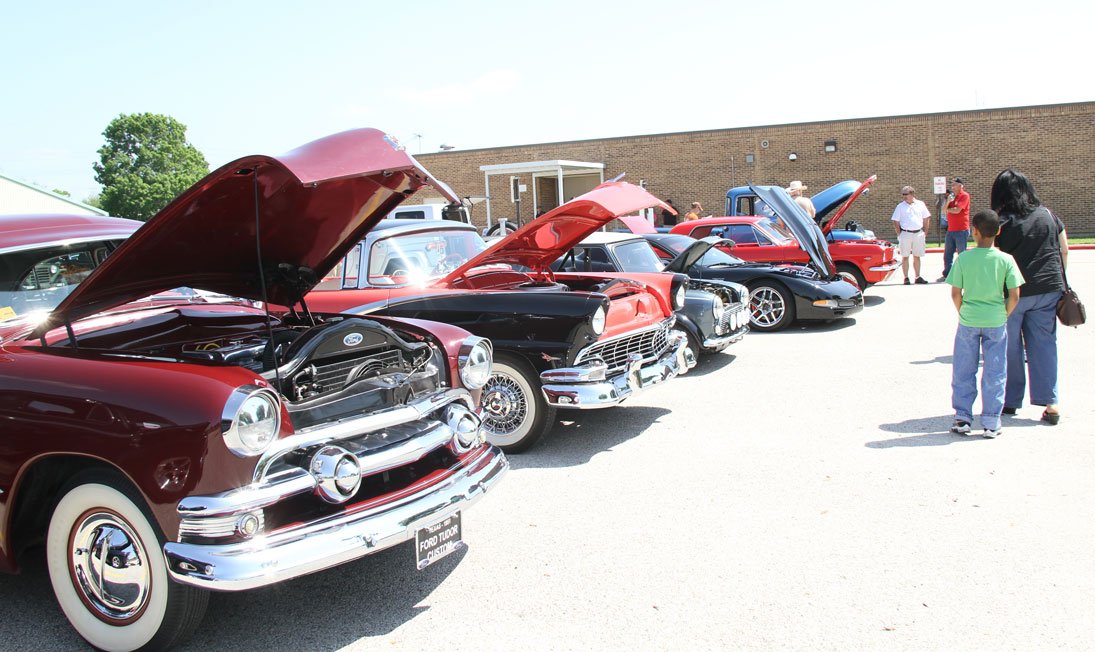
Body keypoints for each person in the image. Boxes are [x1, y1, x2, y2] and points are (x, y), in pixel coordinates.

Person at [991, 168, 1068, 424]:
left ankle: (1010, 401)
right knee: (1045, 345)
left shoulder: (1000, 221)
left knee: (1010, 348)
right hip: (1048, 289)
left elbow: (992, 260)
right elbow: (1063, 251)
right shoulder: (1048, 215)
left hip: (1012, 294)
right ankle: (1051, 402)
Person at [946, 209, 1024, 438]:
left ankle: (963, 417)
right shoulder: (1006, 259)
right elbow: (1015, 294)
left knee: (963, 369)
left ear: (974, 231)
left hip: (969, 319)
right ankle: (991, 420)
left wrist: (964, 312)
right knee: (995, 370)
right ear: (998, 231)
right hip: (996, 319)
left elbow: (955, 293)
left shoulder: (964, 258)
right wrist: (1004, 314)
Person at [891, 185, 931, 284]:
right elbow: (896, 221)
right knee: (905, 256)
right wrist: (900, 233)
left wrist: (925, 232)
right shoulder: (900, 206)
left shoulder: (920, 204)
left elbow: (926, 218)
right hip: (905, 233)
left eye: (906, 194)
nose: (904, 196)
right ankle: (906, 278)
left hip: (918, 233)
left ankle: (917, 277)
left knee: (917, 256)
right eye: (903, 194)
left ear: (912, 194)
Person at [939, 177, 971, 280]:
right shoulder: (951, 197)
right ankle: (947, 275)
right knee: (947, 254)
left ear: (960, 185)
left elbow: (957, 210)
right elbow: (943, 211)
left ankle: (964, 275)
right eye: (952, 184)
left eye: (955, 184)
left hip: (961, 230)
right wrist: (948, 202)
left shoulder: (964, 196)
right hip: (951, 230)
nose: (952, 186)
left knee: (962, 254)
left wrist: (949, 210)